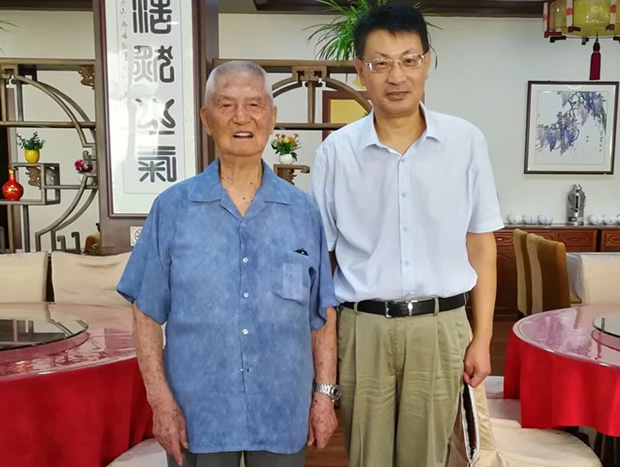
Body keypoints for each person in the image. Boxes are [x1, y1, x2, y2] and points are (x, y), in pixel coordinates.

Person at [117, 60, 340, 467]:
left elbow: (322, 313)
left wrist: (324, 396)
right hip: (197, 412)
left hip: (282, 408)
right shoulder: (173, 208)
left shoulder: (301, 211)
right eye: (227, 105)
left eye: (254, 105)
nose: (241, 117)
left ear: (271, 117)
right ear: (207, 119)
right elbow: (145, 313)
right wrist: (160, 401)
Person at [310, 4, 504, 467]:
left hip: (441, 326)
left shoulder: (465, 142)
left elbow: (481, 245)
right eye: (380, 63)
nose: (396, 76)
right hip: (364, 329)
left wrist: (481, 339)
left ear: (426, 62)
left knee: (426, 457)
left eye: (408, 60)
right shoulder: (336, 153)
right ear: (361, 70)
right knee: (367, 457)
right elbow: (321, 259)